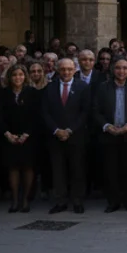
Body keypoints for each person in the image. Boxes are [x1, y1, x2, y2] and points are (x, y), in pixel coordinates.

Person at [42, 58, 91, 214]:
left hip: (75, 136)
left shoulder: (83, 87)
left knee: (77, 169)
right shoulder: (50, 88)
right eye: (63, 69)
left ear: (74, 70)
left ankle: (77, 200)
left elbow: (85, 112)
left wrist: (70, 130)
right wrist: (56, 130)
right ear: (58, 70)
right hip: (55, 137)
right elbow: (45, 112)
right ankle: (61, 200)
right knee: (58, 170)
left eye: (69, 69)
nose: (66, 72)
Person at [92, 59, 127, 213]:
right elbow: (96, 111)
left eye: (125, 68)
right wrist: (107, 126)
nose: (122, 71)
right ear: (113, 70)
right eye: (119, 68)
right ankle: (113, 201)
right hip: (109, 134)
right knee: (110, 170)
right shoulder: (103, 87)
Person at [0, 65, 41, 213]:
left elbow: (37, 115)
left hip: (28, 136)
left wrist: (27, 134)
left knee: (27, 167)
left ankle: (26, 199)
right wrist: (7, 134)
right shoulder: (2, 93)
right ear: (10, 77)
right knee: (13, 167)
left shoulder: (32, 93)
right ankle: (15, 199)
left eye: (21, 75)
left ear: (25, 76)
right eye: (14, 75)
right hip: (9, 136)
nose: (18, 78)